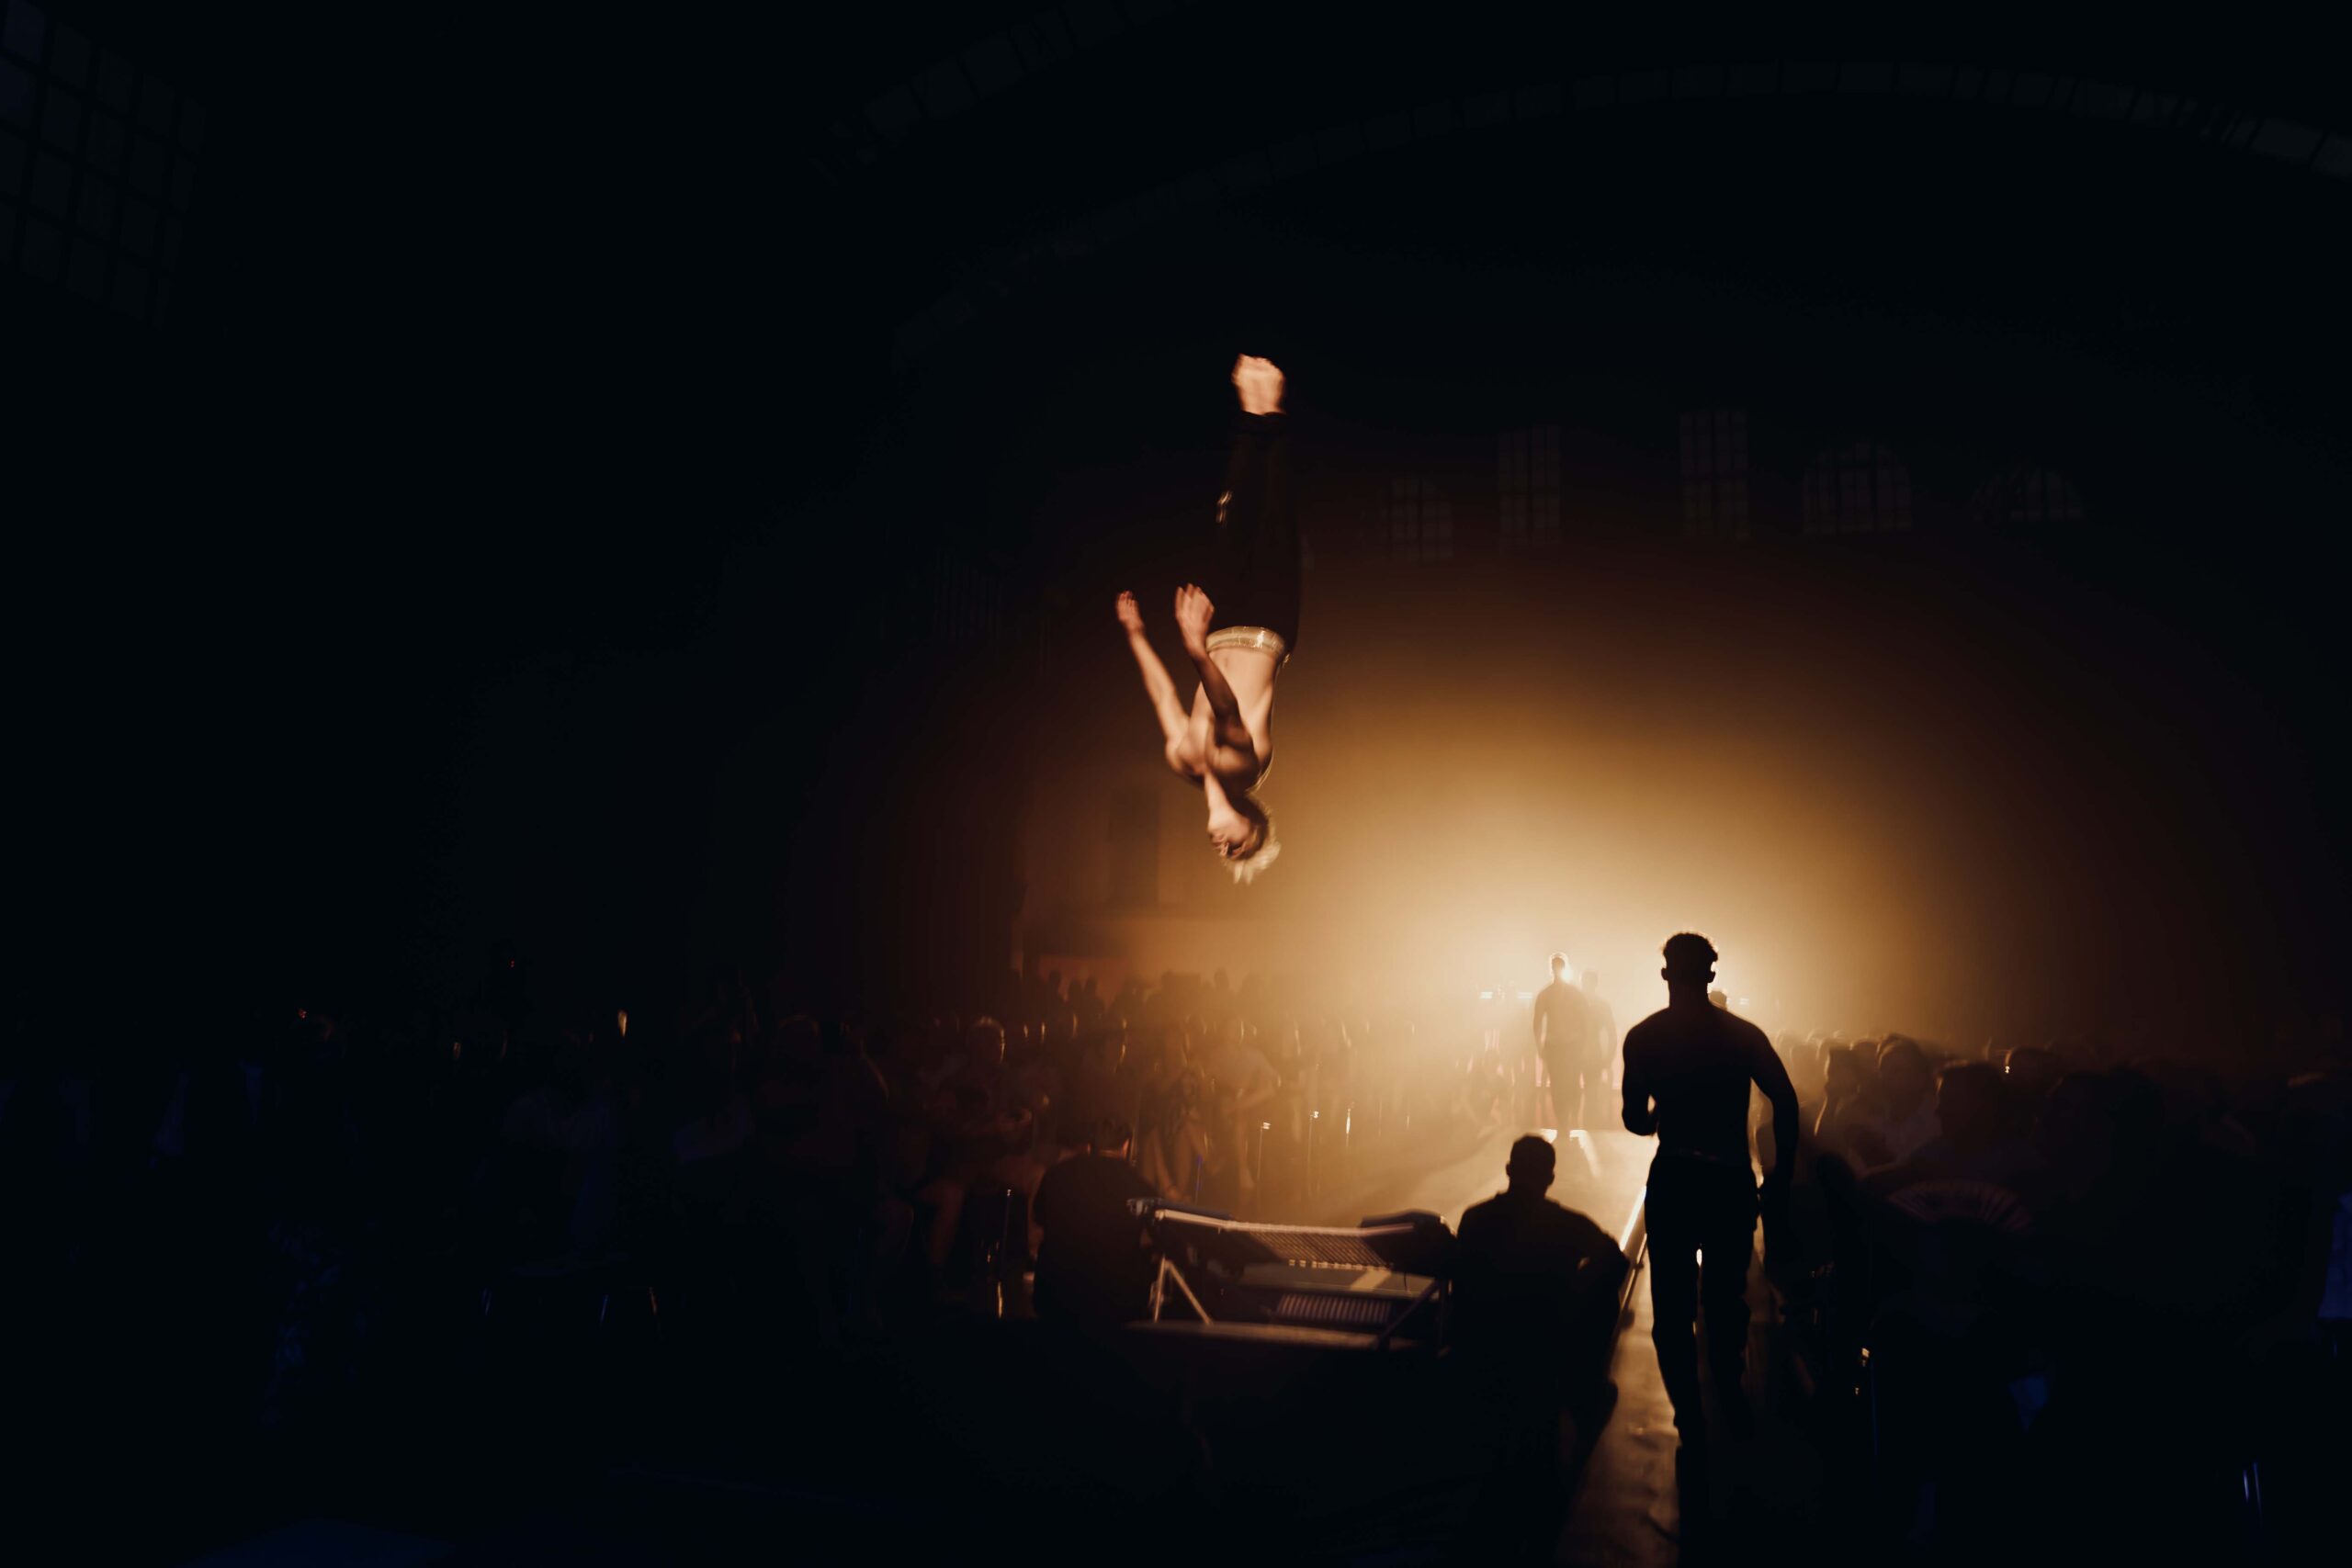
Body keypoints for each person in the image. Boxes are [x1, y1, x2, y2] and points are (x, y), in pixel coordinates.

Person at [1116, 355, 1298, 883]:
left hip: (1217, 629)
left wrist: (1136, 635)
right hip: (1266, 628)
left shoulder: (1182, 761)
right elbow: (1227, 712)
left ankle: (1250, 415)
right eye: (1241, 847)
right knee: (1274, 521)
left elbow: (1163, 698)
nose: (1226, 849)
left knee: (1230, 518)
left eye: (1226, 855)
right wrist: (1194, 648)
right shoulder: (1246, 769)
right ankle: (1273, 413)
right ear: (1252, 822)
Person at [1622, 932, 1799, 1447]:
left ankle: (1688, 1416)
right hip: (1728, 1177)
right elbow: (1785, 1101)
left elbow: (1635, 1119)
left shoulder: (1644, 1037)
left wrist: (1660, 1114)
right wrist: (1781, 1176)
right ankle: (1728, 1390)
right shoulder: (1743, 1036)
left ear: (1665, 975)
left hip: (1675, 1175)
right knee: (1725, 1298)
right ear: (1711, 975)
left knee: (1672, 1307)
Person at [1030, 1119, 1157, 1337]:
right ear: (1126, 1145)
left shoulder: (1057, 1174)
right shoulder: (1140, 1187)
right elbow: (1153, 1239)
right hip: (1113, 1305)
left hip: (1054, 1297)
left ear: (1090, 1143)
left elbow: (1038, 1220)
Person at [1532, 954, 1597, 1128]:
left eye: (1560, 967)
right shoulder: (1545, 994)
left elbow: (1587, 1020)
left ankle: (1572, 1117)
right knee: (1556, 1084)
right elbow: (1537, 1023)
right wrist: (1539, 1047)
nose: (1557, 970)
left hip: (1572, 1045)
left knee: (1573, 1082)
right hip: (1555, 1045)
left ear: (1564, 968)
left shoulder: (1575, 994)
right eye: (1555, 967)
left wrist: (1586, 1045)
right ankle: (1562, 1120)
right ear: (1551, 969)